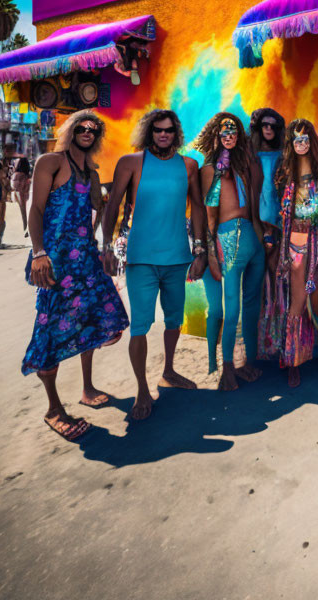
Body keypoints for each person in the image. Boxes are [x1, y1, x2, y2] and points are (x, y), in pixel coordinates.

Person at [23, 111, 129, 441]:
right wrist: (39, 253)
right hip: (54, 263)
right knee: (50, 330)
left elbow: (95, 212)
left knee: (103, 320)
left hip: (84, 260)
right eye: (81, 127)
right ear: (71, 131)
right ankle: (54, 408)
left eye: (93, 129)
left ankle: (86, 388)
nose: (87, 132)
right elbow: (35, 210)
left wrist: (100, 248)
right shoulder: (50, 162)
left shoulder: (91, 173)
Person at [102, 109, 207, 420]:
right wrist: (106, 246)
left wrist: (200, 250)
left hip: (177, 257)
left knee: (174, 320)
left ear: (176, 134)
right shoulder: (131, 163)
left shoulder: (189, 166)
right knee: (140, 326)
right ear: (150, 133)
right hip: (141, 259)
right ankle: (142, 389)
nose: (164, 135)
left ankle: (170, 372)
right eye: (158, 130)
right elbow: (113, 205)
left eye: (169, 131)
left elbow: (198, 208)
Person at [261, 119, 318, 387]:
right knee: (297, 303)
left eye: (305, 139)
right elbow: (275, 213)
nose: (301, 144)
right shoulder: (285, 177)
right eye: (296, 140)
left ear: (311, 142)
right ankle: (293, 361)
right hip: (296, 241)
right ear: (291, 144)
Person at [195, 113, 264, 390]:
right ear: (215, 135)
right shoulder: (211, 169)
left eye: (234, 132)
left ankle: (247, 362)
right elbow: (210, 217)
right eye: (224, 132)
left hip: (253, 238)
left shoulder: (244, 165)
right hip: (229, 238)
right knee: (232, 307)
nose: (229, 136)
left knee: (252, 305)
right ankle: (227, 368)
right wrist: (211, 253)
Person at [249, 108, 286, 350]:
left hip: (280, 223)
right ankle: (259, 343)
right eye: (265, 124)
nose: (269, 129)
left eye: (273, 125)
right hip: (255, 222)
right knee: (257, 282)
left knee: (278, 279)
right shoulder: (250, 156)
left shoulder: (285, 156)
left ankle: (278, 339)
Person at [11, 155, 31, 236]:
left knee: (23, 212)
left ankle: (25, 227)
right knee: (28, 211)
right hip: (27, 193)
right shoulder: (27, 175)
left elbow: (13, 186)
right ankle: (28, 229)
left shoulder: (16, 174)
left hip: (19, 193)